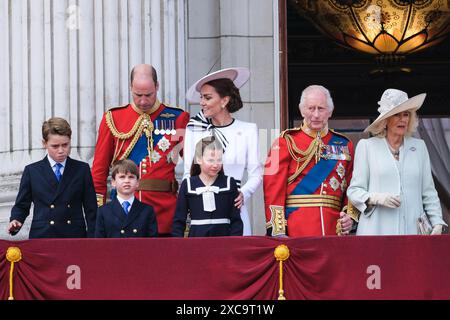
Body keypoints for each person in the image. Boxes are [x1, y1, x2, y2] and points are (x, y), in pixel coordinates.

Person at [91, 64, 190, 236]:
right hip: (122, 214)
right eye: (138, 95)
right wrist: (98, 210)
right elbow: (99, 170)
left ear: (157, 86)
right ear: (130, 88)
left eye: (149, 95)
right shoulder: (113, 118)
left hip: (164, 212)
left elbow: (193, 166)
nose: (143, 101)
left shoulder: (177, 118)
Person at [347, 88, 447, 235]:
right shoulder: (367, 147)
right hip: (376, 230)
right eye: (396, 115)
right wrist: (376, 198)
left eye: (406, 114)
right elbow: (354, 191)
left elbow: (429, 192)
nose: (403, 119)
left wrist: (437, 221)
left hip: (412, 231)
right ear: (385, 120)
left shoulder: (419, 147)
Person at [263, 85, 356, 237]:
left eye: (321, 108)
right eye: (311, 108)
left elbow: (353, 185)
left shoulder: (345, 144)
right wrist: (278, 231)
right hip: (297, 228)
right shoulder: (284, 141)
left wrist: (350, 217)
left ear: (330, 111)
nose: (316, 114)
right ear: (302, 110)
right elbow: (272, 188)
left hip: (334, 228)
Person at [183, 67, 262, 236]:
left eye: (208, 97)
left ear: (224, 101)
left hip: (234, 208)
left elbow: (257, 174)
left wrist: (243, 193)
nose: (202, 102)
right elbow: (188, 175)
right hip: (201, 213)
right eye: (201, 97)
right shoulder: (194, 130)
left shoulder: (248, 130)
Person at [8, 117, 97, 238]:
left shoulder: (82, 169)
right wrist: (16, 220)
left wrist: (93, 239)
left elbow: (91, 209)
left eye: (65, 145)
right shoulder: (32, 171)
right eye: (55, 146)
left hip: (74, 236)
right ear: (44, 144)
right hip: (43, 235)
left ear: (70, 140)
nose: (61, 150)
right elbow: (22, 205)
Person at [172, 136, 243, 237]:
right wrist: (177, 245)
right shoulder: (187, 184)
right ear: (199, 159)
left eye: (219, 160)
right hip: (196, 242)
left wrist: (234, 243)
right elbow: (179, 221)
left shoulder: (229, 183)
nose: (215, 165)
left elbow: (236, 221)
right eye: (211, 160)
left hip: (224, 241)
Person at [95, 159, 158, 238]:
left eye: (131, 177)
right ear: (113, 182)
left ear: (137, 182)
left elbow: (152, 243)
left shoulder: (147, 210)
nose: (127, 181)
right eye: (122, 177)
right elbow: (99, 243)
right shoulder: (103, 211)